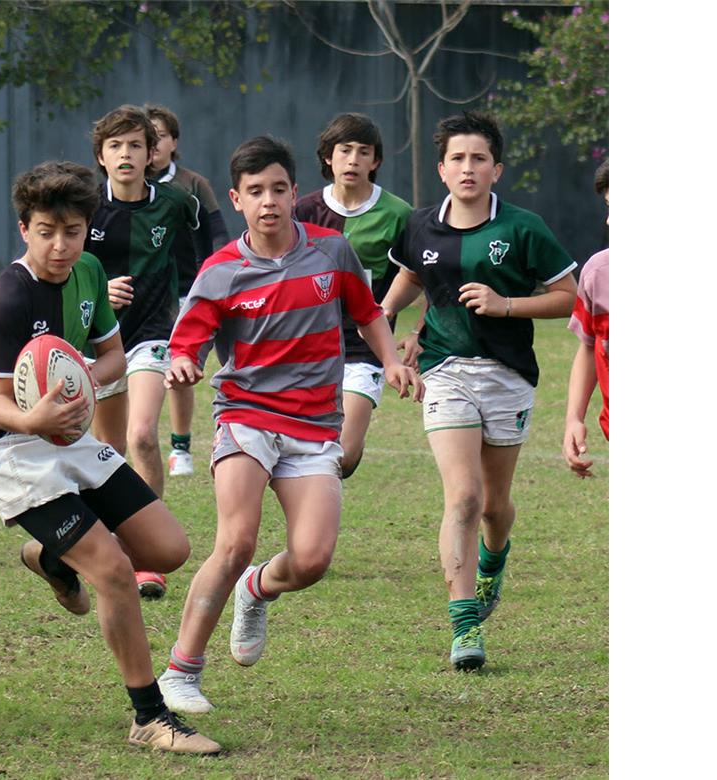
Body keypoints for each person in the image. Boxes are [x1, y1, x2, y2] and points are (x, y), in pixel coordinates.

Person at [0, 161, 221, 754]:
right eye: (46, 230)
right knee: (115, 572)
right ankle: (149, 717)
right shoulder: (8, 299)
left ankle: (49, 556)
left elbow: (112, 358)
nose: (60, 244)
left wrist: (80, 389)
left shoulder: (91, 270)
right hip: (13, 446)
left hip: (68, 428)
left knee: (168, 550)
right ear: (24, 228)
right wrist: (36, 417)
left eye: (72, 230)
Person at [156, 137, 418, 714]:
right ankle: (179, 672)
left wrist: (392, 360)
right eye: (255, 193)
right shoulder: (220, 270)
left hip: (314, 422)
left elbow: (368, 313)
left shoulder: (330, 252)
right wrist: (181, 365)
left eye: (278, 189)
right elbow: (189, 343)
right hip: (246, 414)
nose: (268, 201)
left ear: (293, 193)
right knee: (235, 540)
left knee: (312, 559)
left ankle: (258, 588)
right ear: (237, 199)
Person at [379, 111, 578, 671]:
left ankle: (494, 560)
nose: (468, 168)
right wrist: (387, 316)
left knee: (494, 506)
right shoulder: (419, 225)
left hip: (508, 375)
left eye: (479, 158)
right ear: (442, 169)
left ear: (498, 169)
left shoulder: (523, 228)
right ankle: (464, 626)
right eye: (458, 159)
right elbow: (414, 273)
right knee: (462, 496)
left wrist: (505, 304)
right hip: (444, 371)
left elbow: (569, 296)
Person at [83, 104, 200, 600]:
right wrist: (98, 292)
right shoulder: (84, 206)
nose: (126, 154)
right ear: (102, 156)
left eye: (135, 145)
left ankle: (147, 556)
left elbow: (199, 274)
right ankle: (109, 545)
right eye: (116, 146)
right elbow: (62, 271)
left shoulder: (175, 204)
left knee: (143, 438)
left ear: (153, 154)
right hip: (97, 341)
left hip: (154, 335)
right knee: (103, 452)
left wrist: (191, 336)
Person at [294, 113, 414, 479]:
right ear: (328, 157)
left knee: (343, 456)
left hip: (365, 348)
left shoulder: (399, 214)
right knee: (302, 451)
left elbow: (425, 277)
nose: (353, 160)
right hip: (308, 347)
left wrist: (418, 331)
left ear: (375, 161)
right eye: (344, 150)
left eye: (364, 152)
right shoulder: (302, 212)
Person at [141, 104, 230, 479]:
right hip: (143, 297)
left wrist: (218, 282)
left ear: (173, 141)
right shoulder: (126, 188)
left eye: (160, 135)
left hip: (187, 293)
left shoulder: (192, 185)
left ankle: (181, 447)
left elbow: (218, 235)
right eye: (146, 137)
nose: (153, 143)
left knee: (182, 365)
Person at [563, 159, 609, 478]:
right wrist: (574, 418)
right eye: (609, 206)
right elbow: (590, 347)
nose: (609, 220)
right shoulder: (599, 273)